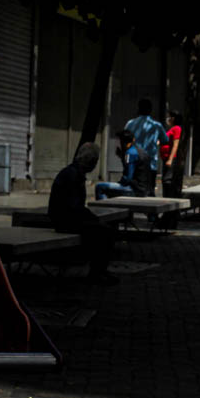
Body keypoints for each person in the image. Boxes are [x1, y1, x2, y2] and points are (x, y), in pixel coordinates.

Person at [49, 142, 118, 285]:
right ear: (91, 161)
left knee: (103, 229)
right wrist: (92, 218)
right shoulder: (74, 175)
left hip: (64, 218)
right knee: (105, 232)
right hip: (65, 220)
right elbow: (74, 207)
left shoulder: (72, 172)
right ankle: (96, 273)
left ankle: (99, 271)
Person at [124, 98, 166, 197]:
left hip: (133, 163)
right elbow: (165, 140)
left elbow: (124, 139)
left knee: (132, 191)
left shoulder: (130, 123)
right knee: (150, 191)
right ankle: (152, 212)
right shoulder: (156, 125)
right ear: (150, 110)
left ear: (138, 109)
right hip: (150, 165)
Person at [95, 129, 148, 199]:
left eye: (119, 141)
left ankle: (104, 209)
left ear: (124, 142)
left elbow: (128, 178)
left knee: (99, 187)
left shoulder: (130, 153)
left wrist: (120, 182)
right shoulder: (139, 150)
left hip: (134, 190)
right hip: (142, 189)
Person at [161, 110, 184, 198]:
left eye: (169, 117)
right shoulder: (172, 128)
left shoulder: (176, 128)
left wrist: (170, 159)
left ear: (173, 118)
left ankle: (168, 200)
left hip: (171, 158)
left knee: (167, 180)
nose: (168, 119)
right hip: (166, 158)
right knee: (166, 180)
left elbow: (175, 145)